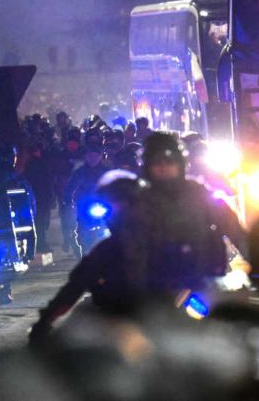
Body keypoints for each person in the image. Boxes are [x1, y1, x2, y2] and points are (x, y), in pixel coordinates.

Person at [28, 173, 143, 345]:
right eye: (114, 204)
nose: (120, 210)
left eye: (125, 204)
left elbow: (187, 278)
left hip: (159, 320)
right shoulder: (106, 250)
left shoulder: (161, 243)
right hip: (114, 320)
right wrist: (46, 319)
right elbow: (77, 285)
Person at [130, 132, 246, 294]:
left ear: (180, 163)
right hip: (156, 287)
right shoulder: (138, 200)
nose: (163, 167)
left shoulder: (199, 193)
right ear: (147, 166)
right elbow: (120, 243)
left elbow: (234, 229)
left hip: (204, 279)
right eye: (157, 162)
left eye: (169, 161)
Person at [63, 144, 109, 256]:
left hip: (102, 204)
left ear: (100, 157)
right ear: (87, 157)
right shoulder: (80, 172)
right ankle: (85, 249)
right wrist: (68, 199)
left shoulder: (106, 171)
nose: (93, 159)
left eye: (96, 156)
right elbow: (70, 186)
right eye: (90, 156)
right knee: (82, 227)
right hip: (85, 203)